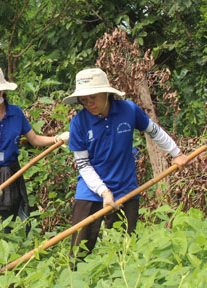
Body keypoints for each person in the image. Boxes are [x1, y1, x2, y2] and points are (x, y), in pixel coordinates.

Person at [64, 67, 189, 258]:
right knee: (79, 249)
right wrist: (104, 192)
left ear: (106, 93)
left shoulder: (128, 110)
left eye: (93, 97)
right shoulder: (78, 123)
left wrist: (176, 153)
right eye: (84, 99)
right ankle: (75, 286)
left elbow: (153, 131)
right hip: (90, 190)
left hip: (126, 188)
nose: (88, 103)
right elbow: (83, 165)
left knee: (123, 247)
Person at [0, 65, 69, 234]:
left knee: (13, 216)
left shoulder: (16, 113)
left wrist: (56, 139)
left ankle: (15, 246)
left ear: (2, 90)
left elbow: (34, 139)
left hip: (11, 171)